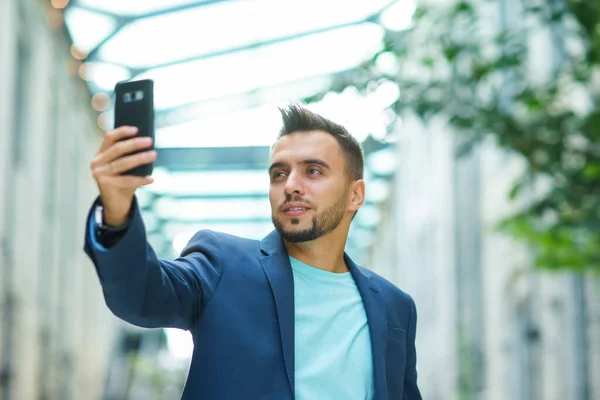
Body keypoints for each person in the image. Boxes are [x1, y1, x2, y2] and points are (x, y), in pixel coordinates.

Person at [85, 104, 422, 400]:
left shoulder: (394, 307)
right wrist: (118, 210)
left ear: (355, 195)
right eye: (279, 173)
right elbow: (140, 295)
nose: (290, 185)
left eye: (313, 171)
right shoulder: (222, 264)